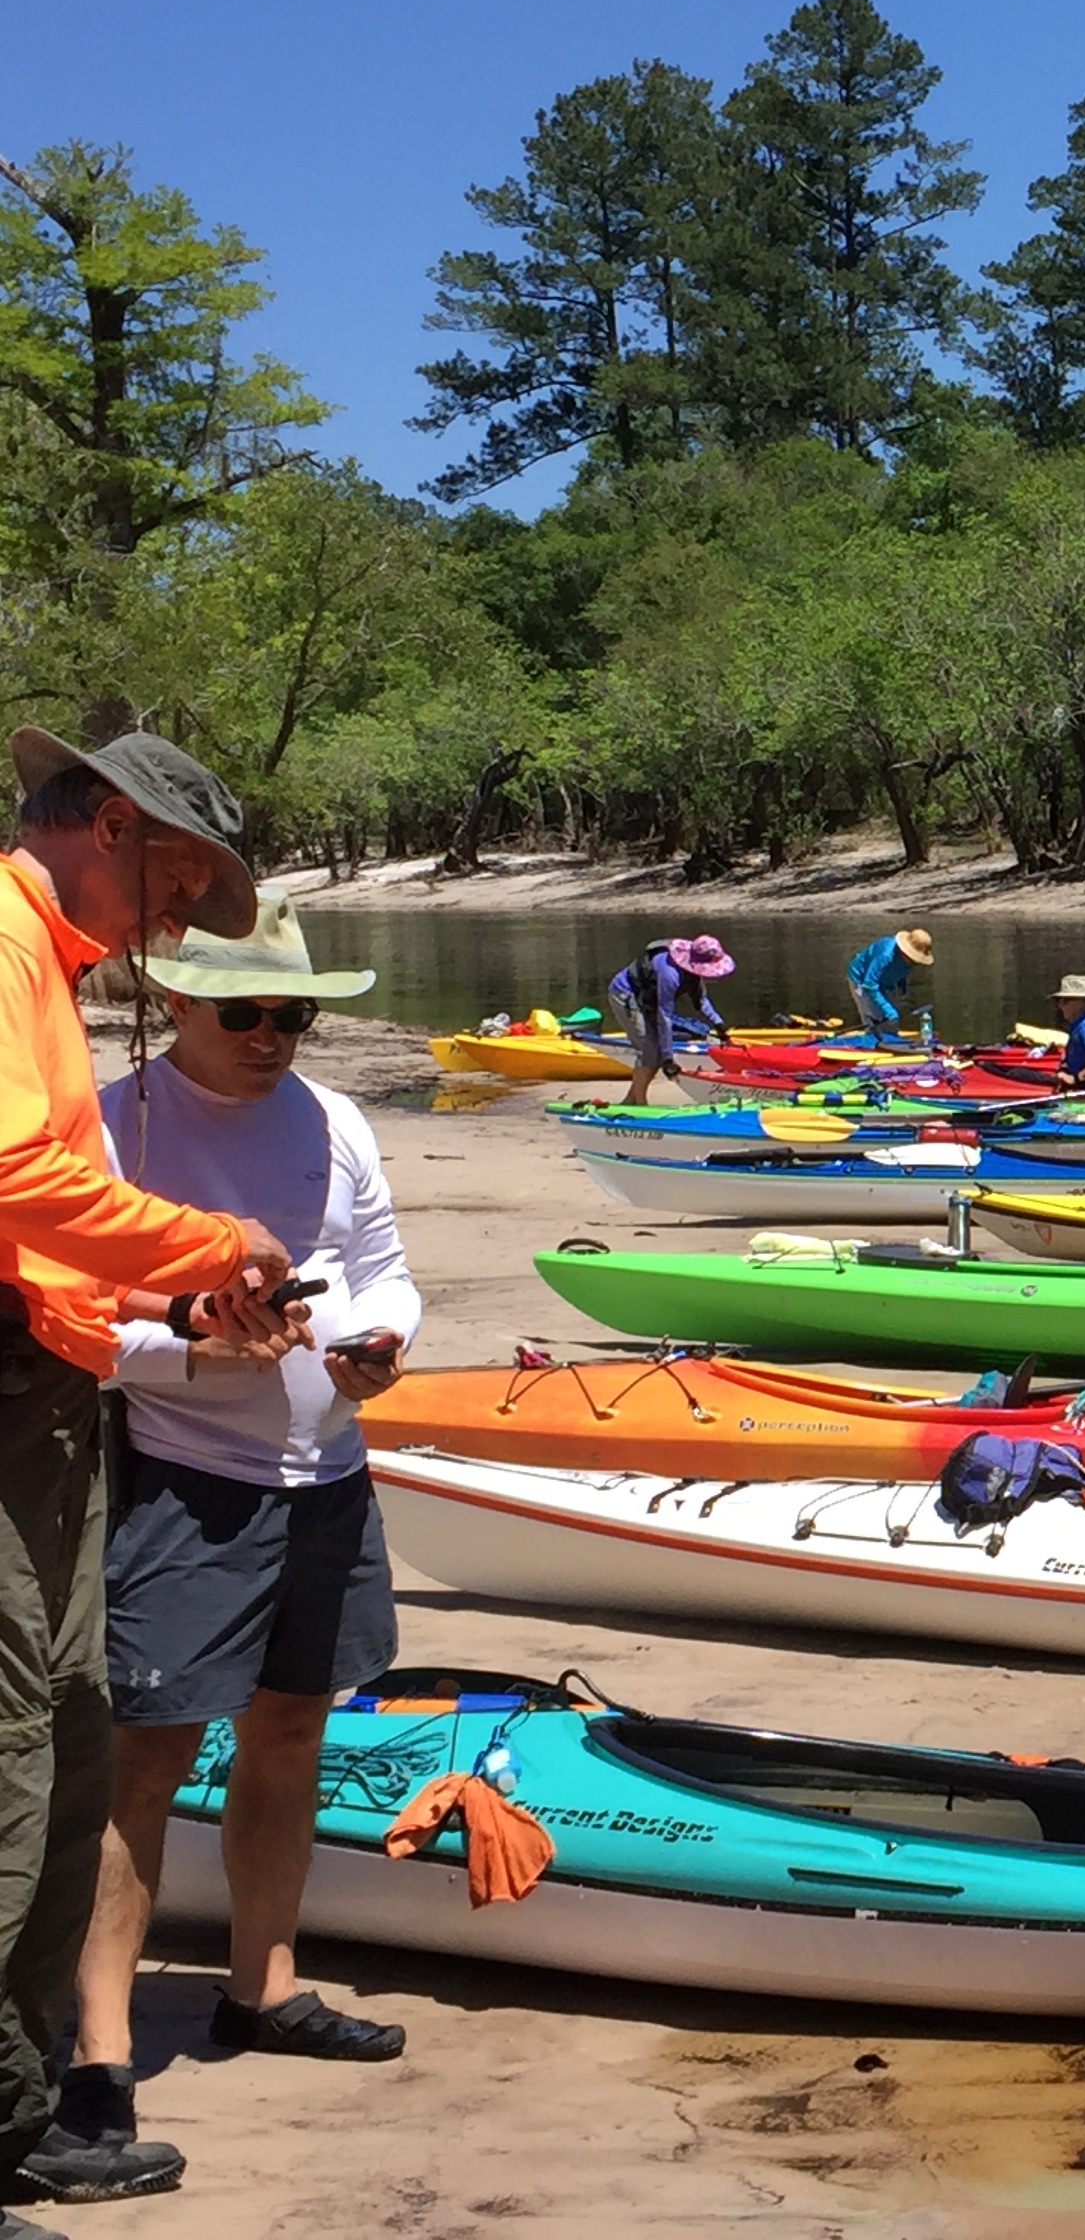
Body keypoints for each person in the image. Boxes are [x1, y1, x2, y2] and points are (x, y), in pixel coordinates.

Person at [25, 893, 419, 2208]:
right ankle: (98, 2055)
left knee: (292, 1726)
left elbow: (382, 1266)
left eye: (295, 1013)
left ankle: (266, 1984)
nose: (273, 1036)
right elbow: (78, 1320)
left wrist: (381, 1344)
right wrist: (196, 1348)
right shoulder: (120, 1125)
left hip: (330, 1478)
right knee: (142, 1763)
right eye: (244, 1012)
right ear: (176, 1004)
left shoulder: (337, 1120)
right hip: (185, 1486)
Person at [0, 728, 307, 2227]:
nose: (176, 930)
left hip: (46, 1390)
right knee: (10, 1753)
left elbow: (38, 1244)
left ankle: (17, 2111)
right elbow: (11, 1180)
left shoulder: (47, 968)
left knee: (61, 1738)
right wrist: (210, 1245)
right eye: (179, 885)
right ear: (110, 825)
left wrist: (174, 1310)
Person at [604, 934, 731, 1106]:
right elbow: (664, 1017)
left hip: (647, 1000)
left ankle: (631, 1100)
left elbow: (700, 1000)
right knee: (648, 1050)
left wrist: (719, 1024)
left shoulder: (691, 972)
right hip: (625, 995)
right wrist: (668, 1059)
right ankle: (640, 1104)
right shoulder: (669, 974)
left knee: (653, 1052)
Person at [844, 927, 934, 1038]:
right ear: (904, 952)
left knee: (890, 1019)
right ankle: (872, 1038)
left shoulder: (908, 960)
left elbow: (901, 968)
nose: (914, 963)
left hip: (884, 983)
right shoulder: (885, 955)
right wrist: (887, 1009)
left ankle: (890, 1038)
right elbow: (869, 984)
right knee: (874, 1015)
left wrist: (902, 984)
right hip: (860, 980)